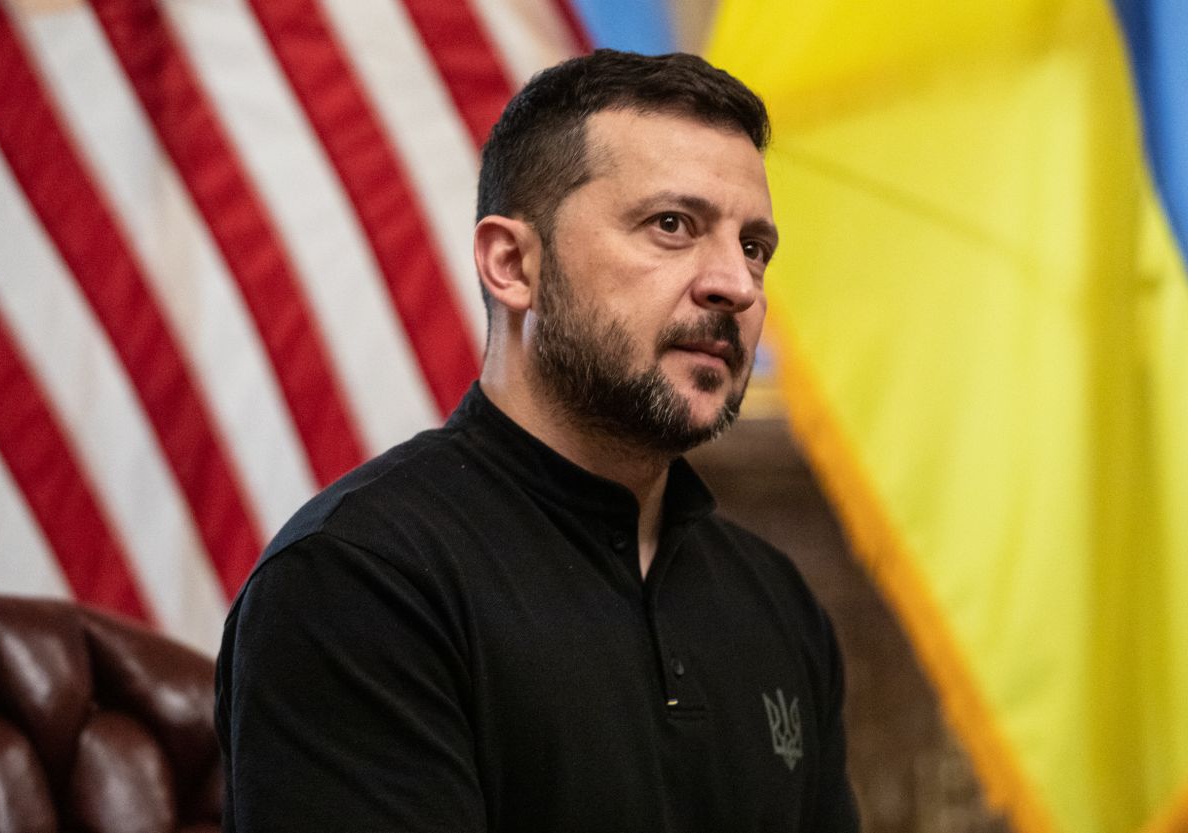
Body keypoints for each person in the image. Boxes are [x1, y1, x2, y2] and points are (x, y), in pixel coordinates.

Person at [216, 49, 860, 833]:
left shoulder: (778, 604)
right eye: (672, 225)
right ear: (512, 263)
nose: (737, 284)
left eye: (754, 245)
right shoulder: (358, 579)